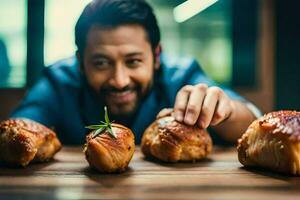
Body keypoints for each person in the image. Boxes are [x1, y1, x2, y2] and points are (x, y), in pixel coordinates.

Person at [11, 0, 260, 145]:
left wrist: (225, 112)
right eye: (101, 63)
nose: (119, 81)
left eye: (133, 61)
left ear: (157, 56)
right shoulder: (57, 81)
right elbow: (17, 129)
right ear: (80, 61)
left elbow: (248, 120)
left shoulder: (182, 75)